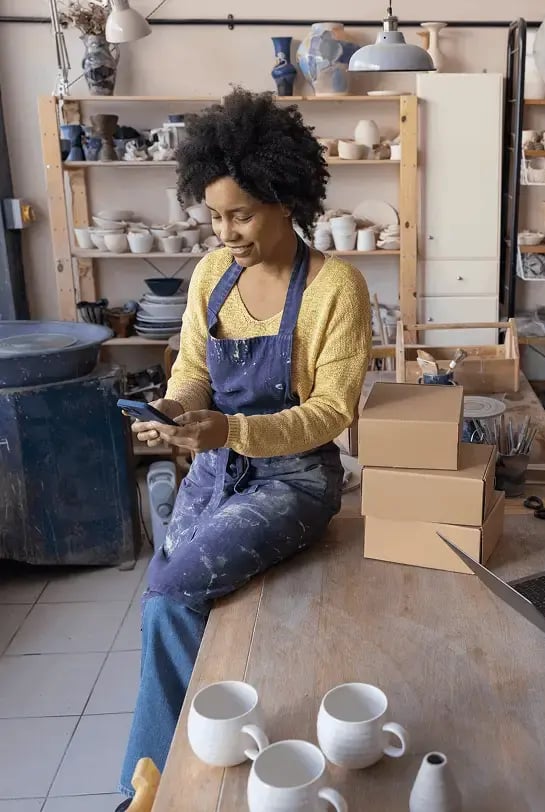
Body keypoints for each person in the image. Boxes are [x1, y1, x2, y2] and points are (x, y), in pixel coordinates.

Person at [116, 88, 371, 809]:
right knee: (168, 598)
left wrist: (229, 430)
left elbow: (331, 413)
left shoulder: (335, 289)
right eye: (215, 214)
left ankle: (150, 791)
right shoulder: (211, 275)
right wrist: (173, 411)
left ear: (287, 201)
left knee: (171, 594)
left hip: (294, 480)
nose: (225, 231)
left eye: (242, 215)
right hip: (215, 467)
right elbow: (194, 370)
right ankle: (190, 759)